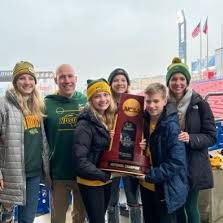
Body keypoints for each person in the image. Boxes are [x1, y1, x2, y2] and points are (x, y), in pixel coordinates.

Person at [166, 57, 216, 223]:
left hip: (193, 164)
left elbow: (211, 136)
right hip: (173, 164)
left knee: (190, 207)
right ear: (168, 81)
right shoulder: (164, 104)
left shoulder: (200, 103)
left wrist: (190, 138)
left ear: (187, 81)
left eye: (182, 79)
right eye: (174, 79)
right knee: (178, 206)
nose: (178, 83)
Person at [0, 61, 51, 223]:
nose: (27, 82)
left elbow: (41, 140)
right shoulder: (4, 104)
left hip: (33, 173)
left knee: (27, 219)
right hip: (11, 173)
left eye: (30, 78)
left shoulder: (37, 105)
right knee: (6, 216)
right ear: (15, 81)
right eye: (22, 78)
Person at [138, 82, 188, 223]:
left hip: (164, 188)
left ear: (164, 101)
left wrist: (150, 175)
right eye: (148, 101)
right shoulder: (144, 121)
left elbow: (176, 162)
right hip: (147, 186)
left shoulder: (171, 126)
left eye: (156, 101)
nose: (151, 105)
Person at [44, 64, 86, 223]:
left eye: (70, 76)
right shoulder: (46, 104)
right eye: (62, 77)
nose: (67, 80)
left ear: (76, 79)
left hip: (82, 171)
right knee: (58, 218)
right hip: (58, 172)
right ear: (56, 80)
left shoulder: (86, 101)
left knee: (80, 217)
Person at [72, 78, 116, 223]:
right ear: (90, 100)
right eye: (97, 96)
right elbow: (80, 162)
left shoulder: (109, 119)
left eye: (105, 94)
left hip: (105, 179)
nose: (103, 99)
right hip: (91, 181)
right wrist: (105, 175)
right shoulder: (84, 124)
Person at [107, 68, 141, 223]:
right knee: (111, 200)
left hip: (131, 157)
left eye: (123, 80)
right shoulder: (105, 104)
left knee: (133, 199)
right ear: (110, 83)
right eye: (116, 80)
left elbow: (141, 128)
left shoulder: (136, 104)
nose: (119, 83)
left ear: (127, 83)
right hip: (112, 158)